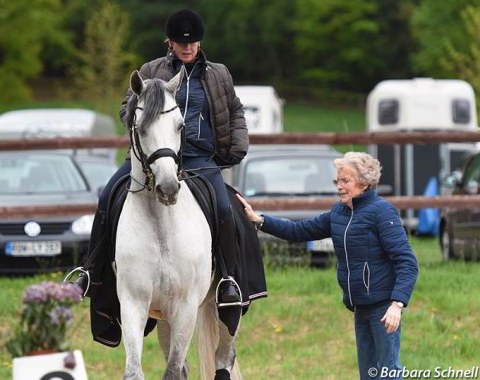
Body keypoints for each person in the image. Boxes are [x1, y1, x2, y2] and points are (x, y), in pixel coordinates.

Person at [72, 9, 248, 307]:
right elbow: (126, 108)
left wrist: (237, 145)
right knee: (106, 199)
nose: (188, 47)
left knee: (223, 209)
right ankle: (91, 270)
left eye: (193, 42)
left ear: (200, 43)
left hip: (199, 158)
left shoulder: (219, 73)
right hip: (151, 158)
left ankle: (228, 280)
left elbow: (235, 110)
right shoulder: (151, 71)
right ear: (169, 42)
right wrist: (141, 121)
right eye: (181, 42)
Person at [236, 152, 418, 380]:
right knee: (369, 374)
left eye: (345, 180)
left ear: (364, 182)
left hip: (384, 308)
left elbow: (407, 262)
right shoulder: (338, 212)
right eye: (337, 181)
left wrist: (397, 304)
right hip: (360, 306)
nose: (339, 186)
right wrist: (260, 220)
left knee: (388, 373)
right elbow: (298, 231)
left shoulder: (382, 212)